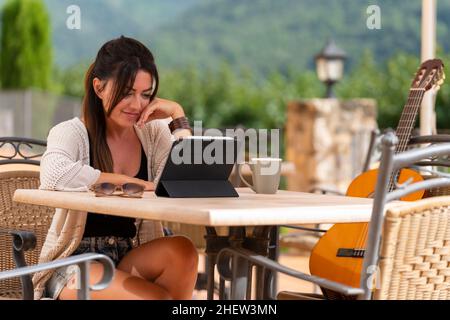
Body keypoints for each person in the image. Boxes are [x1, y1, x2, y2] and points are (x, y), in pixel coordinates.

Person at [33, 36, 198, 300]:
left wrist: (177, 117)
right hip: (75, 264)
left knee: (183, 251)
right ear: (99, 88)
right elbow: (53, 173)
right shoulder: (71, 132)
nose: (137, 105)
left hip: (130, 252)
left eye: (146, 94)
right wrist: (130, 182)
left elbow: (189, 177)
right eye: (127, 92)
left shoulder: (152, 133)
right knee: (160, 300)